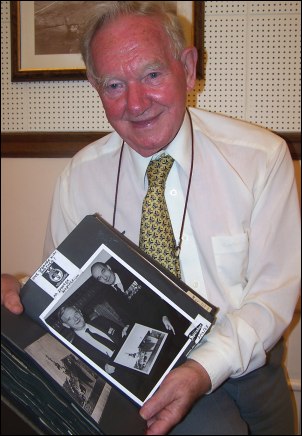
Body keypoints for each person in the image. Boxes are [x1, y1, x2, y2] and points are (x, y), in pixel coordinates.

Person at [1, 1, 300, 435]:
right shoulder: (78, 178)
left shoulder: (260, 159)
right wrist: (19, 293)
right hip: (132, 389)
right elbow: (68, 296)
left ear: (188, 67)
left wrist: (201, 369)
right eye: (114, 85)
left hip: (249, 376)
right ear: (95, 86)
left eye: (153, 75)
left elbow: (273, 297)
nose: (136, 103)